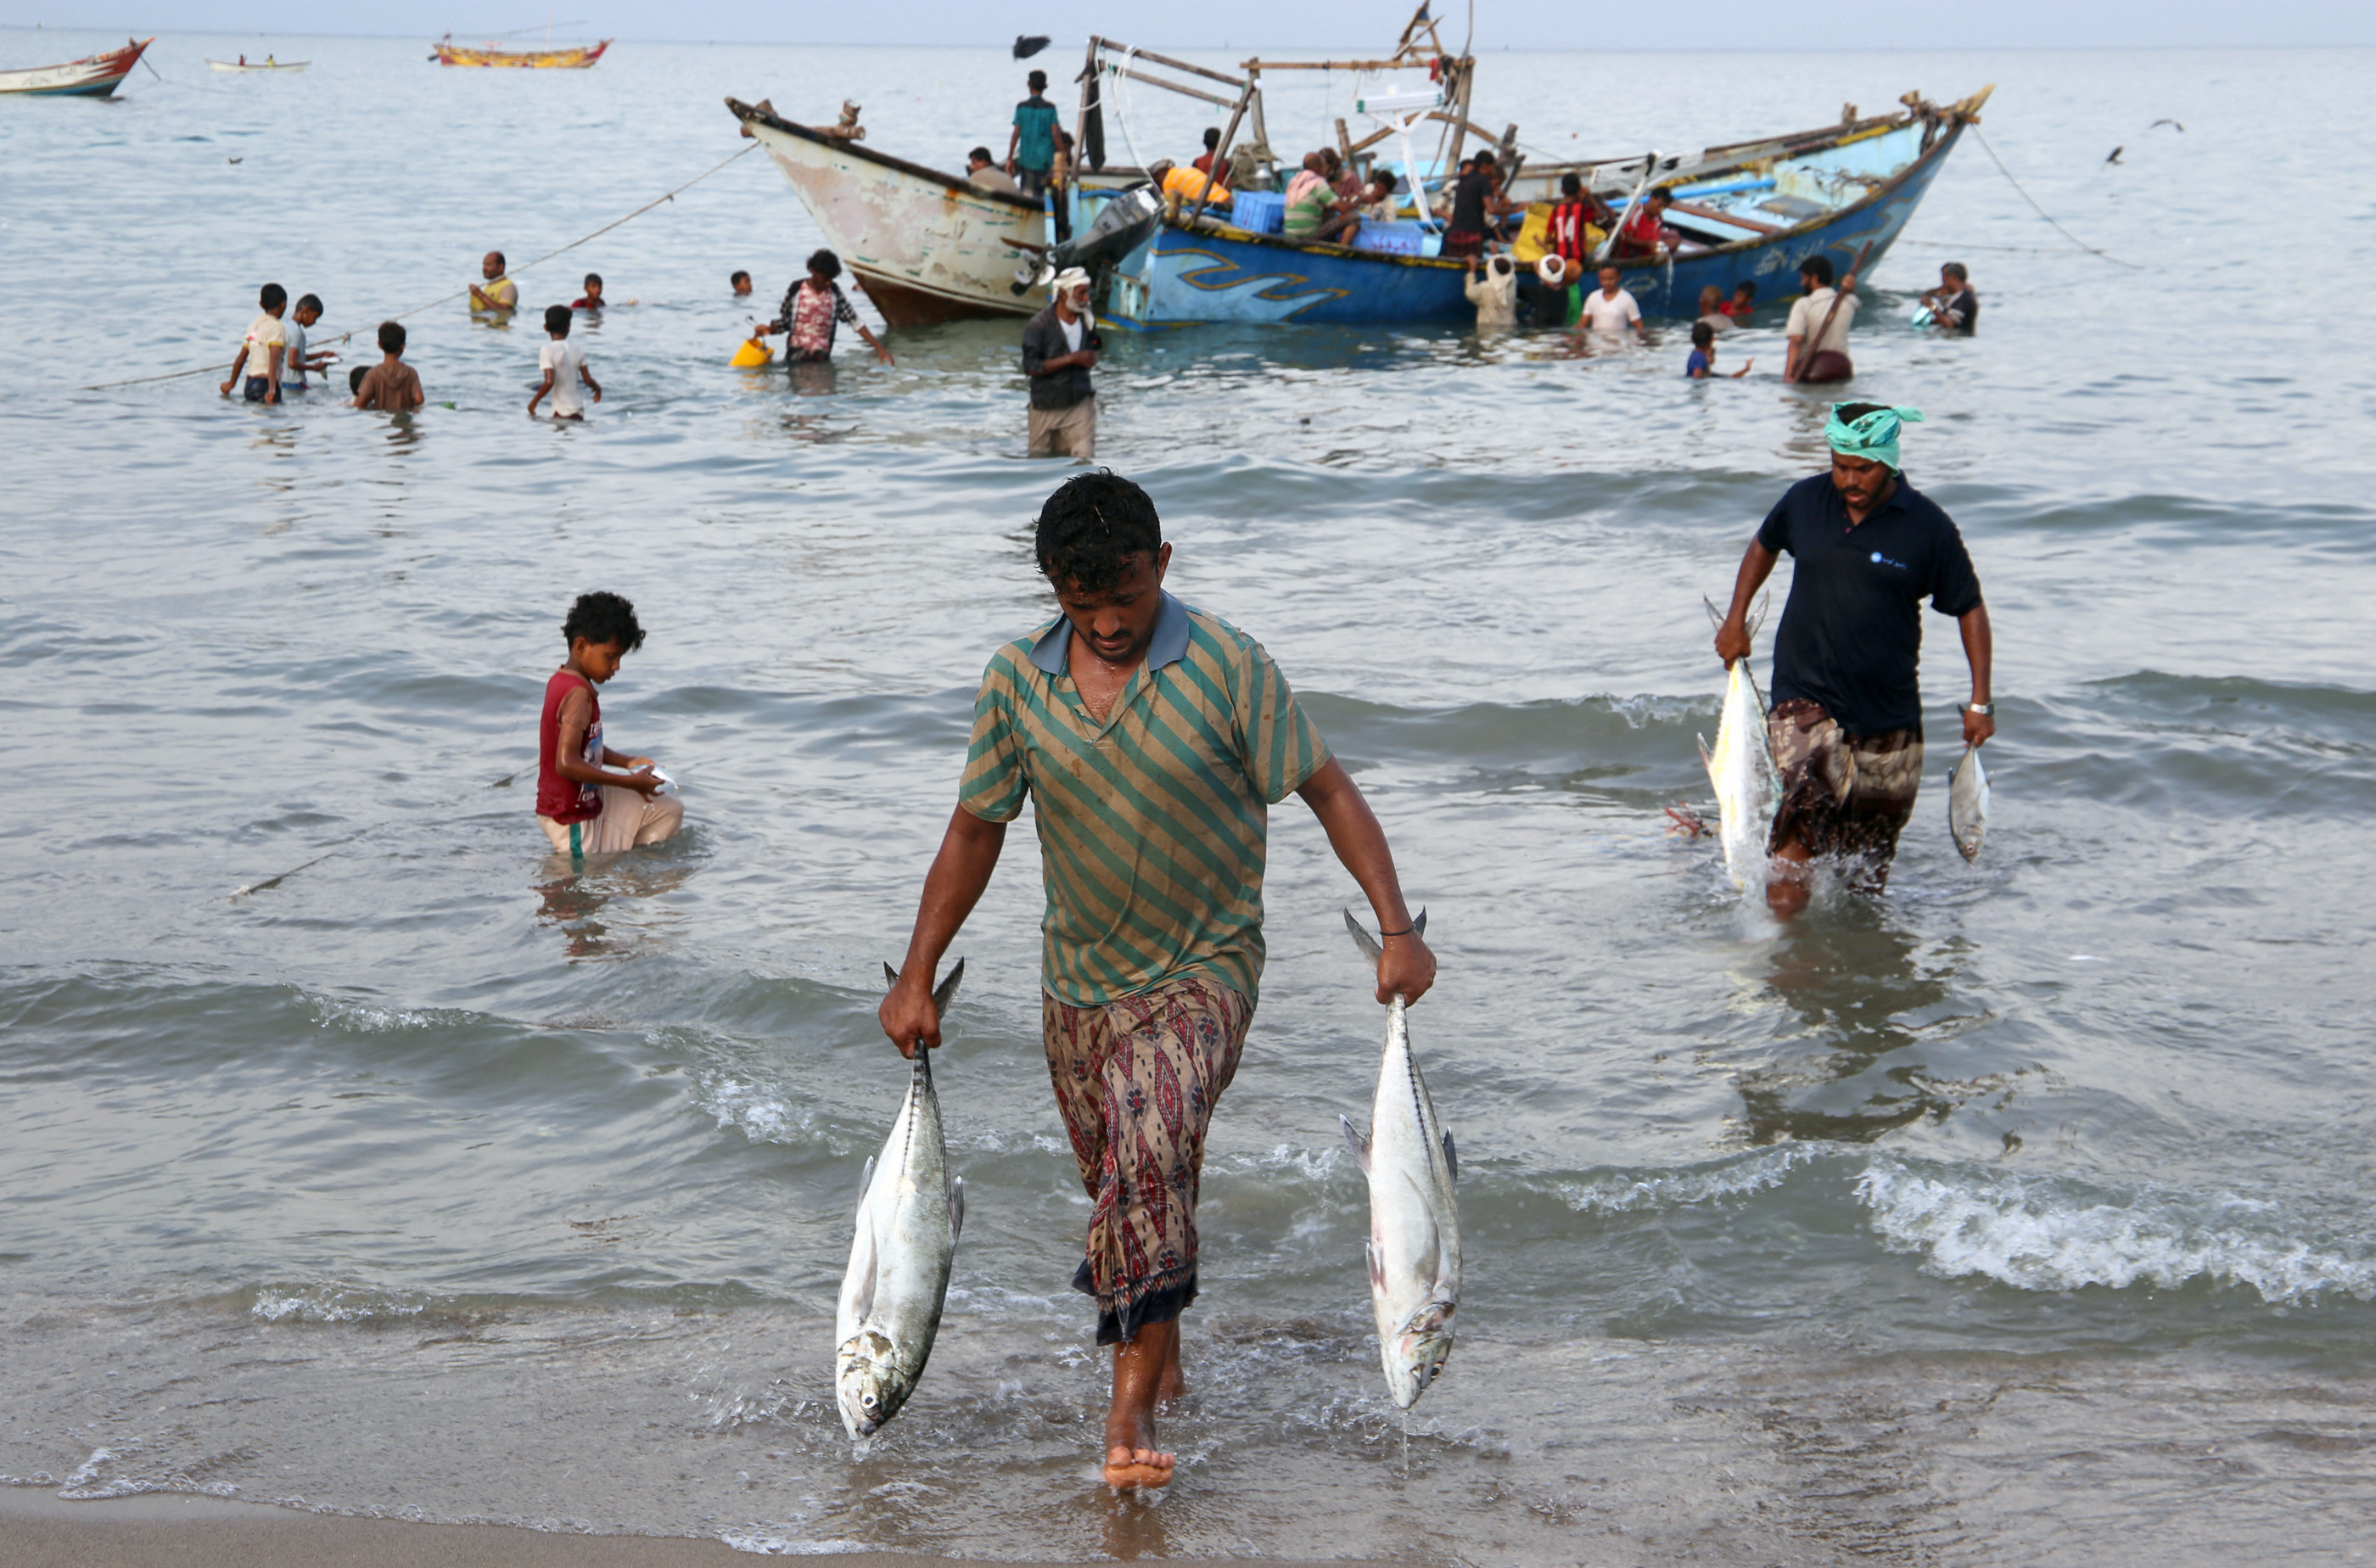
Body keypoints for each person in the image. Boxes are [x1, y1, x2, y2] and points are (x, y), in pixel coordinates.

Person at [877, 470, 1435, 1492]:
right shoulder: (1015, 681)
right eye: (1080, 604)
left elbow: (1328, 790)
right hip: (1077, 985)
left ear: (1162, 565)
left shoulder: (1227, 666)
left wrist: (1397, 928)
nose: (1106, 623)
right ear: (1051, 587)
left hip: (1206, 967)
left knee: (1151, 1147)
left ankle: (1127, 1412)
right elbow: (973, 830)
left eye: (1125, 597)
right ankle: (1166, 1362)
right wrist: (914, 976)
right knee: (1129, 1179)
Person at [1712, 403, 1992, 918]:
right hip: (1804, 702)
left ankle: (1855, 981)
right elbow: (1763, 546)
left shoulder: (1927, 528)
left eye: (1862, 468)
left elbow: (1969, 608)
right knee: (1793, 852)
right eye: (1840, 465)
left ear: (1889, 461)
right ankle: (1788, 973)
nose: (1848, 479)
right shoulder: (1804, 501)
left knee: (1866, 871)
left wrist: (1980, 702)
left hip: (1890, 719)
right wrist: (1735, 619)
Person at [536, 591, 683, 863]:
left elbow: (583, 747)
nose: (616, 666)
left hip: (588, 797)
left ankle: (631, 870)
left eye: (620, 658)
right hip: (571, 815)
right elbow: (566, 764)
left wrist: (627, 761)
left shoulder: (565, 681)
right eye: (610, 657)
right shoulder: (577, 694)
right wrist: (629, 782)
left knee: (667, 809)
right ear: (580, 647)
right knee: (577, 898)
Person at [754, 249, 893, 366]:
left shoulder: (834, 294)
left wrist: (880, 349)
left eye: (831, 279)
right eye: (826, 278)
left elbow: (856, 322)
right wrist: (769, 329)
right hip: (795, 358)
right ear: (814, 271)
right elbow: (786, 322)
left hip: (821, 360)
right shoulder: (796, 289)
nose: (828, 283)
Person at [1021, 267, 1099, 459]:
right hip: (1045, 406)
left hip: (1079, 404)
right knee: (1039, 460)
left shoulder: (1087, 320)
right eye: (1082, 293)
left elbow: (1096, 344)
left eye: (1087, 292)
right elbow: (1031, 367)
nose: (1086, 298)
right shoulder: (1039, 325)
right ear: (1065, 294)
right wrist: (1072, 359)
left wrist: (1092, 355)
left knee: (1084, 460)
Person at [1784, 255, 1860, 384]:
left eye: (1803, 278)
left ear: (1814, 278)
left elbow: (1796, 340)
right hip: (1842, 371)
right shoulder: (1849, 301)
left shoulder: (1804, 304)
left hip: (1812, 373)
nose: (1801, 284)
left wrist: (1788, 374)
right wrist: (1851, 289)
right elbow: (1857, 301)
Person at [529, 303, 602, 419]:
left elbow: (549, 382)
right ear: (569, 327)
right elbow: (587, 380)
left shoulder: (547, 350)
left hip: (561, 411)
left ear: (546, 327)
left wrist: (534, 402)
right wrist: (598, 389)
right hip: (578, 409)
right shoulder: (578, 349)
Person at [219, 283, 289, 405]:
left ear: (261, 304)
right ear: (283, 305)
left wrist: (231, 383)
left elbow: (241, 358)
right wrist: (272, 390)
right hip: (266, 384)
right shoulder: (277, 327)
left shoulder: (254, 326)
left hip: (250, 384)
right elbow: (274, 358)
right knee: (272, 421)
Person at [1443, 148, 1513, 260]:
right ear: (1486, 166)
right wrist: (1516, 209)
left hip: (1456, 231)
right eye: (1492, 167)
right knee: (1475, 259)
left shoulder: (1465, 180)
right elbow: (1490, 211)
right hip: (1471, 232)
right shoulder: (1483, 181)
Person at [1006, 68, 1058, 199]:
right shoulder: (1050, 108)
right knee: (1046, 196)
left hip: (1027, 160)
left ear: (1029, 84)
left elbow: (1016, 134)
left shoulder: (1022, 107)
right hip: (1046, 161)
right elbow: (1055, 134)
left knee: (1027, 196)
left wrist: (1010, 157)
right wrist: (1062, 153)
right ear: (1046, 86)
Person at [349, 321, 424, 412]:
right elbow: (419, 400)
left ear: (379, 344)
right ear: (403, 346)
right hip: (402, 423)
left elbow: (359, 404)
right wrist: (405, 403)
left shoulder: (373, 374)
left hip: (381, 422)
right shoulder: (411, 372)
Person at [1546, 173, 1607, 275]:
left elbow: (1547, 239)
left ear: (1562, 191)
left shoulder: (1555, 211)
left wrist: (1562, 238)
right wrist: (1589, 196)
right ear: (1580, 190)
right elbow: (1601, 215)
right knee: (1596, 257)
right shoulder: (1581, 209)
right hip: (1579, 258)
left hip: (1560, 257)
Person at [281, 293, 337, 394]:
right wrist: (314, 368)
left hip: (282, 380)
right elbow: (292, 363)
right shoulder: (297, 332)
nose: (314, 322)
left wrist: (322, 354)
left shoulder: (286, 327)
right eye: (314, 317)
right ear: (306, 311)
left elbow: (297, 357)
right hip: (294, 383)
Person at [1577, 263, 1646, 341]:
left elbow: (1639, 327)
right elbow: (1582, 324)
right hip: (1596, 348)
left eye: (1610, 279)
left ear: (1619, 277)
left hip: (1619, 348)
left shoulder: (1627, 299)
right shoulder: (1593, 297)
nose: (1607, 282)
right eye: (1603, 279)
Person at [1612, 185, 1676, 260]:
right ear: (1652, 199)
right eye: (1660, 205)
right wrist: (1648, 244)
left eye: (1664, 207)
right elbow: (1627, 239)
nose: (1661, 210)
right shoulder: (1634, 213)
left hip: (1644, 253)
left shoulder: (1658, 219)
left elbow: (1654, 240)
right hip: (1625, 253)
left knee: (1674, 240)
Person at [1920, 262, 1980, 333]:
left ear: (1953, 277)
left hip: (1957, 339)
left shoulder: (1964, 299)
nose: (1943, 281)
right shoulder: (1958, 297)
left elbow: (1949, 324)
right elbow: (1946, 318)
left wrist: (1932, 307)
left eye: (1945, 278)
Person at [1464, 253, 1518, 328]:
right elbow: (1501, 269)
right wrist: (1495, 254)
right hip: (1510, 327)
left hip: (1488, 330)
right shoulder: (1512, 284)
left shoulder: (1485, 287)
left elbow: (1470, 293)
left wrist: (1472, 270)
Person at [1685, 320, 1751, 378]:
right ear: (1712, 340)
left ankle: (1745, 370)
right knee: (1730, 378)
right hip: (1703, 384)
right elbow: (1696, 378)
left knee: (1729, 377)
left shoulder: (1694, 355)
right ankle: (1746, 369)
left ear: (1691, 339)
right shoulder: (1700, 358)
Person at [1520, 254, 1571, 327]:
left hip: (1541, 330)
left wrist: (1538, 273)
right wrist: (1540, 274)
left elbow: (1520, 292)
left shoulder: (1538, 291)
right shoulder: (1564, 290)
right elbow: (1552, 285)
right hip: (1559, 328)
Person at [469, 251, 518, 316]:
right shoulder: (488, 287)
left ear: (501, 267)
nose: (484, 268)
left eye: (489, 265)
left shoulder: (508, 286)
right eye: (484, 265)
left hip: (498, 325)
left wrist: (480, 295)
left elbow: (505, 311)